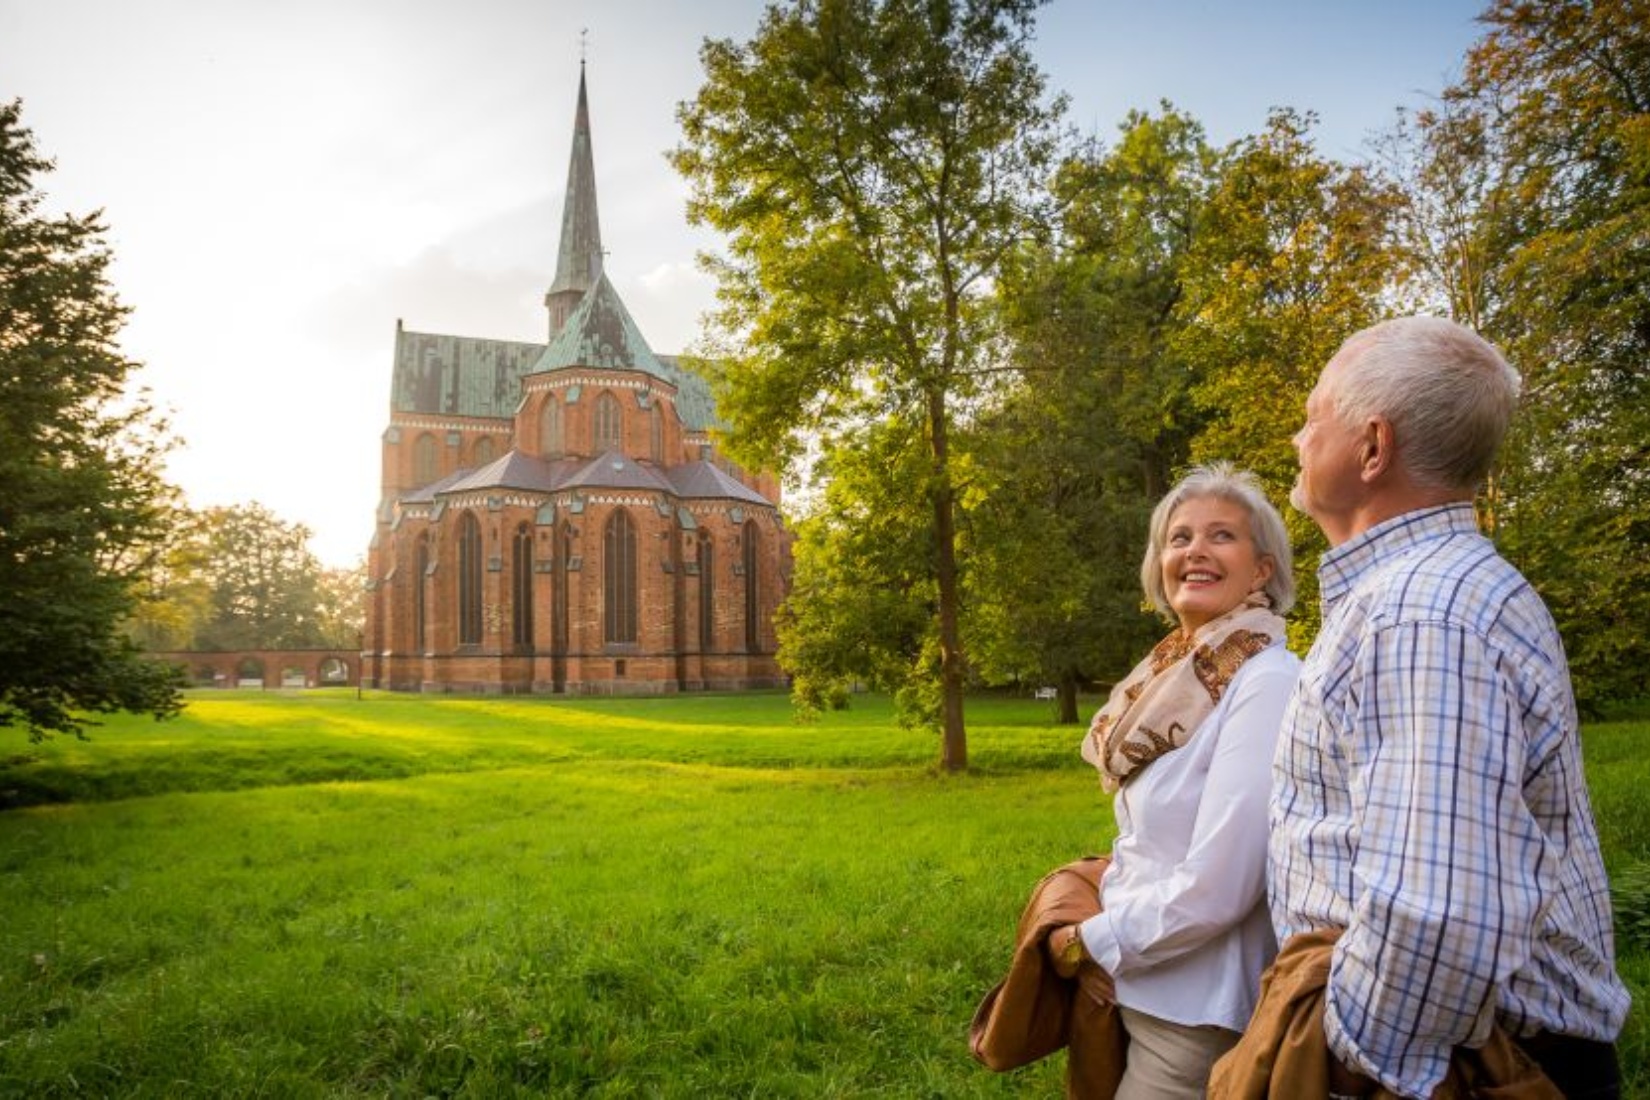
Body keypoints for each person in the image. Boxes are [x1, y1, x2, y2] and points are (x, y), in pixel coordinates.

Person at [1268, 316, 1630, 1099]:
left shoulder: (1422, 613)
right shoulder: (1432, 593)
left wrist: (1346, 1066)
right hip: (1464, 1051)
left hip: (1465, 1068)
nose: (1298, 437)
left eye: (1313, 416)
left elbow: (1434, 911)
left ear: (1372, 447)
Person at [1047, 462, 1301, 1099]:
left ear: (1263, 570)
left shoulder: (1264, 681)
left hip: (1199, 1012)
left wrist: (1091, 943)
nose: (1194, 551)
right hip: (1146, 982)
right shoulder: (1173, 676)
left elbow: (1222, 886)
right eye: (1178, 537)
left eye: (1222, 536)